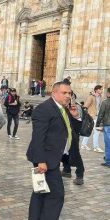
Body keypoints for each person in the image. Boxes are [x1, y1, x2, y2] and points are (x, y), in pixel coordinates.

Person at [26, 81, 82, 220]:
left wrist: (75, 117)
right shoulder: (44, 109)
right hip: (46, 159)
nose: (68, 96)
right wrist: (41, 161)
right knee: (57, 195)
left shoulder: (63, 109)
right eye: (64, 93)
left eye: (70, 93)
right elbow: (38, 137)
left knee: (40, 192)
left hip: (54, 157)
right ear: (54, 93)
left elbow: (74, 131)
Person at [81, 85, 104, 152]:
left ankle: (83, 144)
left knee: (91, 131)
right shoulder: (91, 97)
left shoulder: (100, 97)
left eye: (102, 89)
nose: (102, 90)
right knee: (96, 131)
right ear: (96, 90)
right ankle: (96, 147)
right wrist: (87, 116)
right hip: (91, 116)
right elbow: (85, 107)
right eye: (101, 89)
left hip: (97, 116)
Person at [96, 87, 110, 168]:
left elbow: (101, 114)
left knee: (108, 144)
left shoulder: (105, 102)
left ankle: (108, 161)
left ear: (108, 93)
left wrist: (97, 124)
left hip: (107, 125)